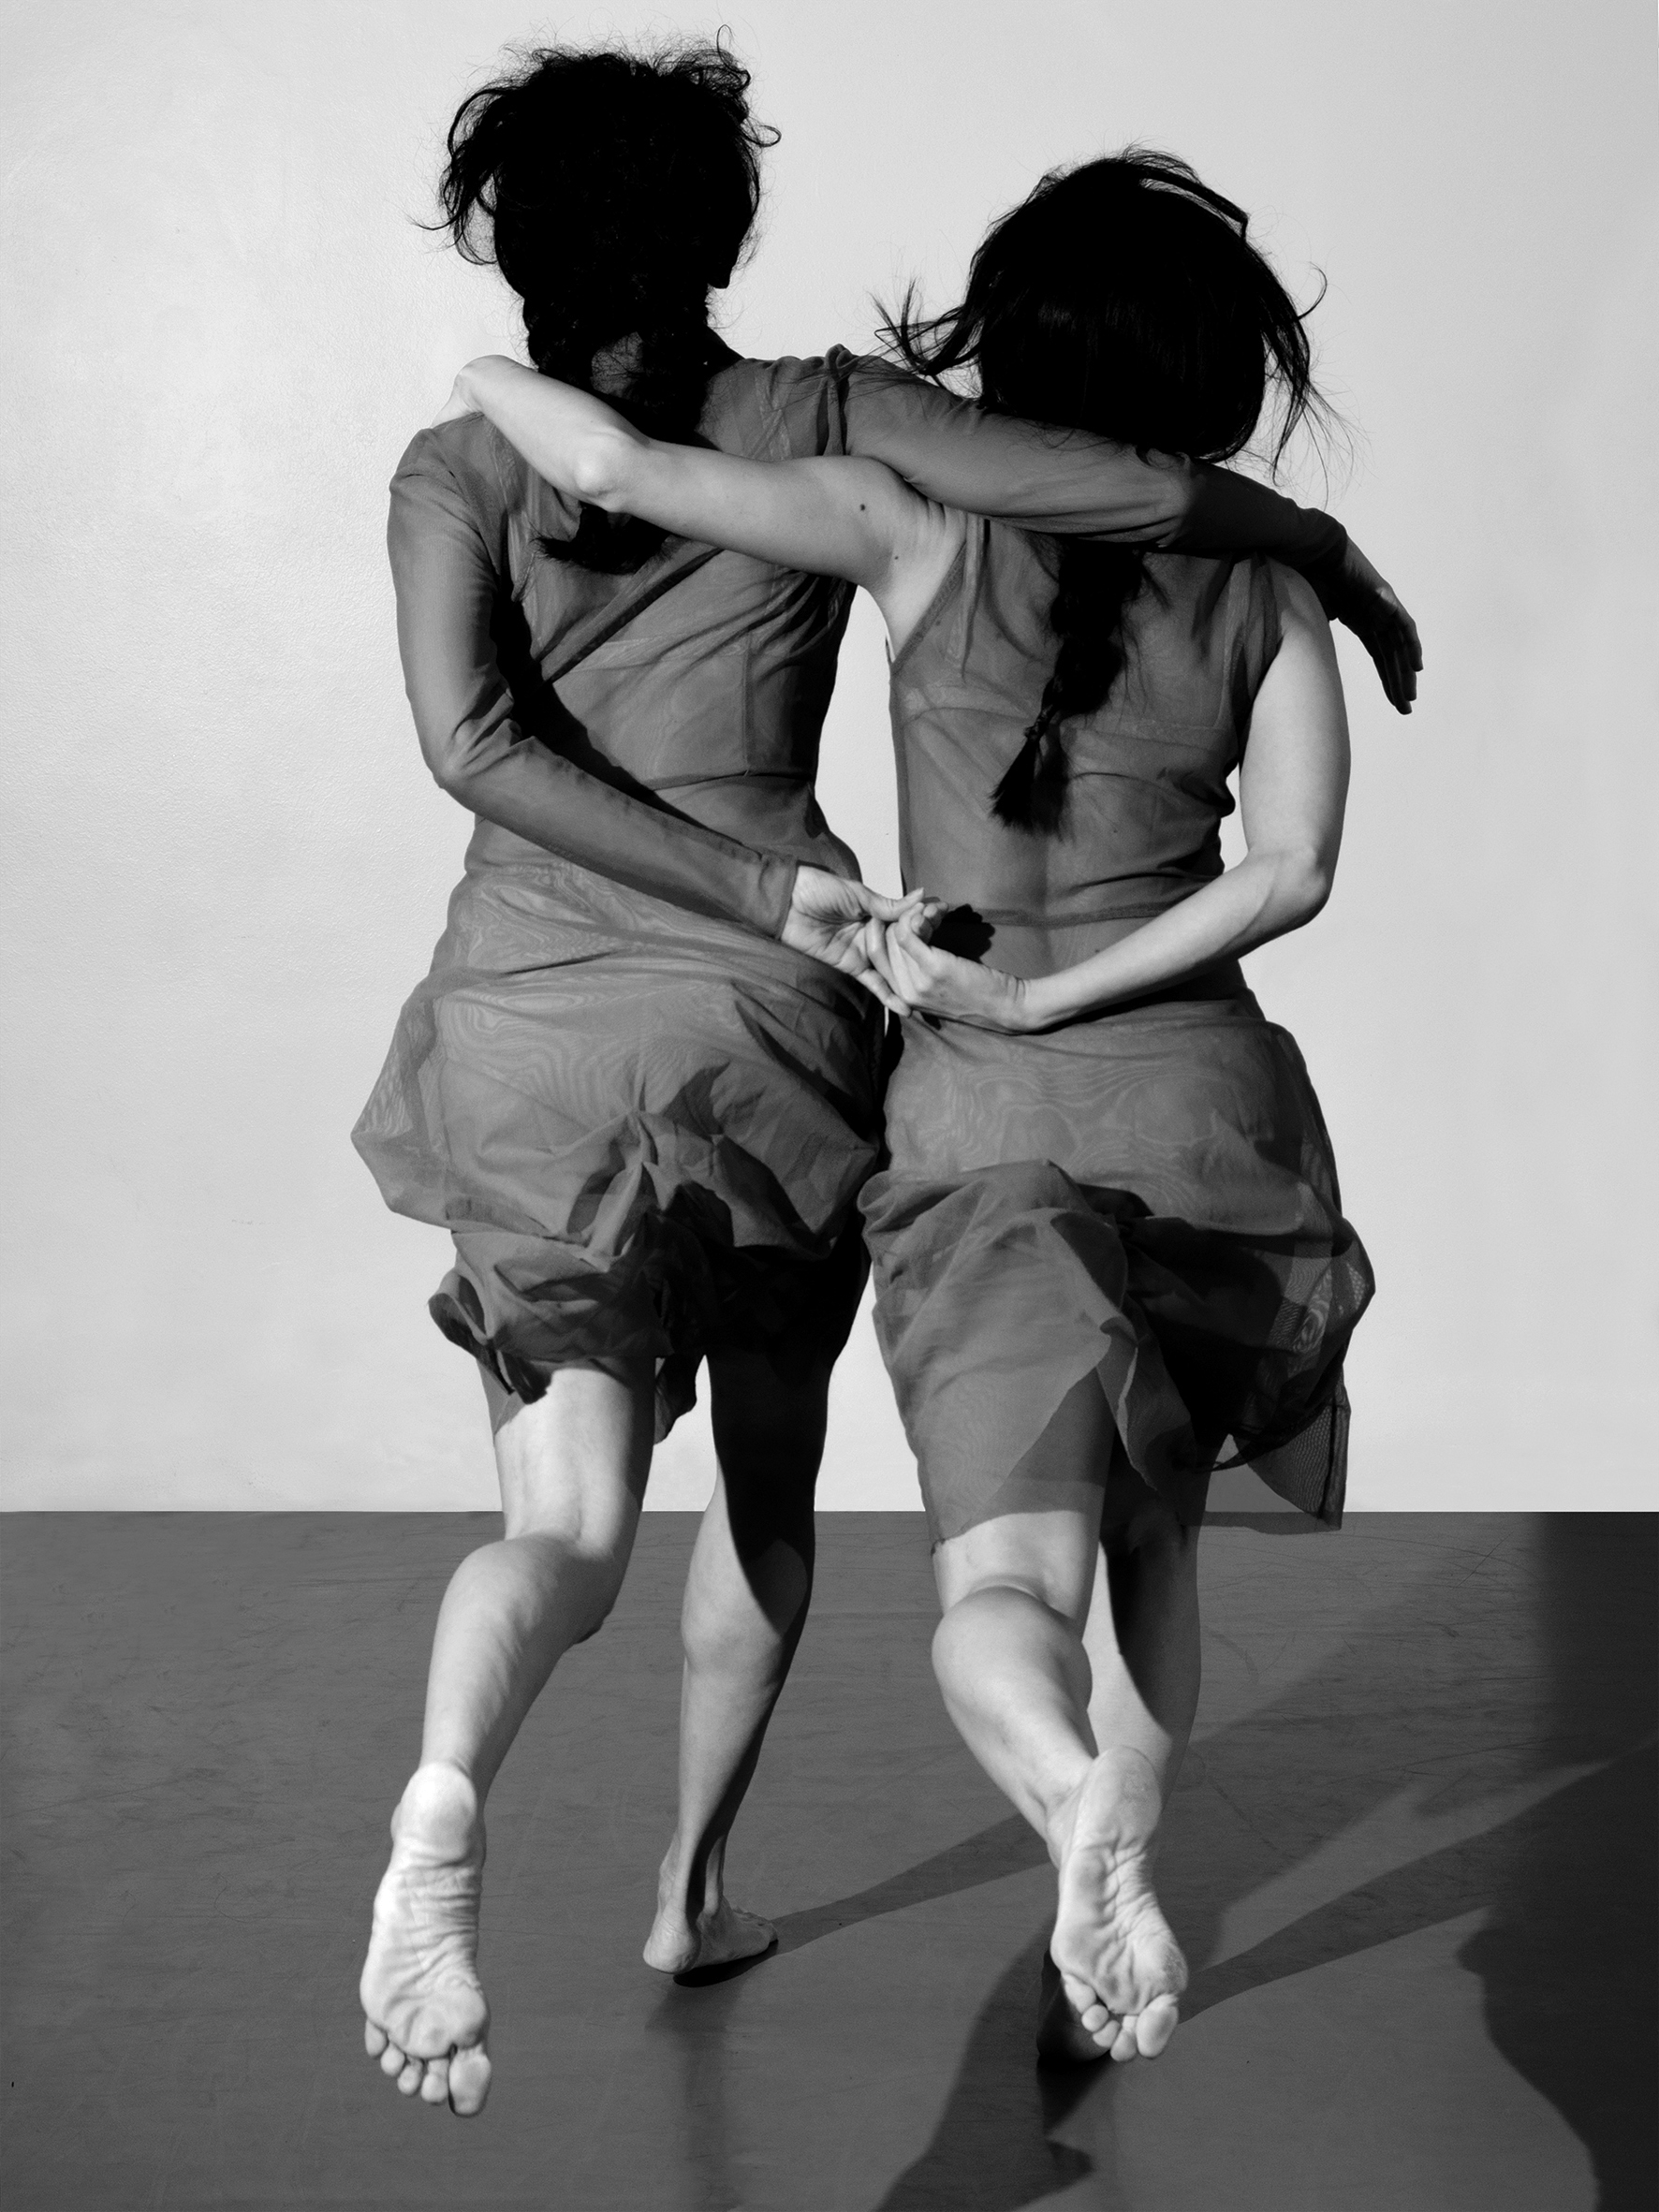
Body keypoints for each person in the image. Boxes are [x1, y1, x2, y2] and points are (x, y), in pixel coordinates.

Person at [358, 39, 1412, 2117]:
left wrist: (487, 379)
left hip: (624, 1043)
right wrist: (1315, 544)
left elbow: (517, 662)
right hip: (905, 1057)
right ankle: (821, 1873)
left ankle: (458, 1787)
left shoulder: (542, 480)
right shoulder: (870, 439)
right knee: (914, 1510)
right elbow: (1170, 600)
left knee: (608, 1532)